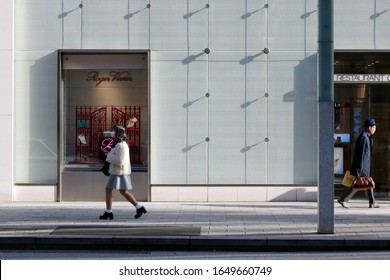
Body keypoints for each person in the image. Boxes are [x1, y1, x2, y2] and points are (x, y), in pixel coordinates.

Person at [99, 125, 147, 220]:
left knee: (110, 190)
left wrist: (108, 156)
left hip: (118, 172)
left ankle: (109, 212)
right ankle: (139, 207)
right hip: (118, 172)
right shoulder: (118, 144)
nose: (112, 133)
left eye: (114, 131)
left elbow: (120, 160)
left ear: (118, 133)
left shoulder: (121, 145)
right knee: (121, 191)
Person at [338, 118, 379, 209]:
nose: (375, 129)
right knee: (358, 184)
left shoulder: (367, 136)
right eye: (374, 127)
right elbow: (361, 154)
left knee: (368, 183)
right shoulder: (364, 137)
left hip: (365, 166)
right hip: (362, 167)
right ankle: (343, 199)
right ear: (369, 127)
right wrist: (360, 168)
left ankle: (372, 202)